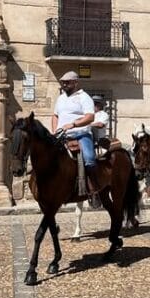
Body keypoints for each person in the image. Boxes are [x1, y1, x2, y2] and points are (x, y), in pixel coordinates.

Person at [52, 71, 100, 206]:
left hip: (81, 134)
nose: (64, 84)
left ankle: (94, 190)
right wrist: (55, 130)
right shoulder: (60, 98)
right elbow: (55, 115)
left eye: (67, 82)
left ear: (75, 83)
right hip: (62, 135)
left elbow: (90, 117)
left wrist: (73, 124)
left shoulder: (84, 97)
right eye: (63, 82)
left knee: (89, 159)